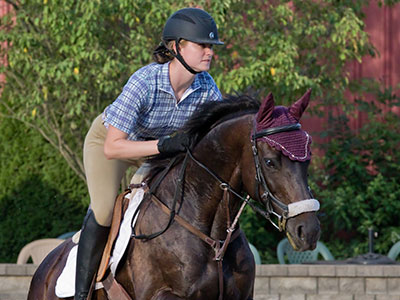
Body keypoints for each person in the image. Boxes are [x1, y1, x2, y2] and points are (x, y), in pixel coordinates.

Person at [75, 7, 224, 300]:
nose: (209, 52)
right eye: (202, 45)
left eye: (211, 46)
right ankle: (81, 294)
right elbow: (112, 146)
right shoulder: (145, 81)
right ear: (177, 46)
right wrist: (163, 146)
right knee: (105, 209)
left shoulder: (207, 88)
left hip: (156, 151)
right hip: (111, 143)